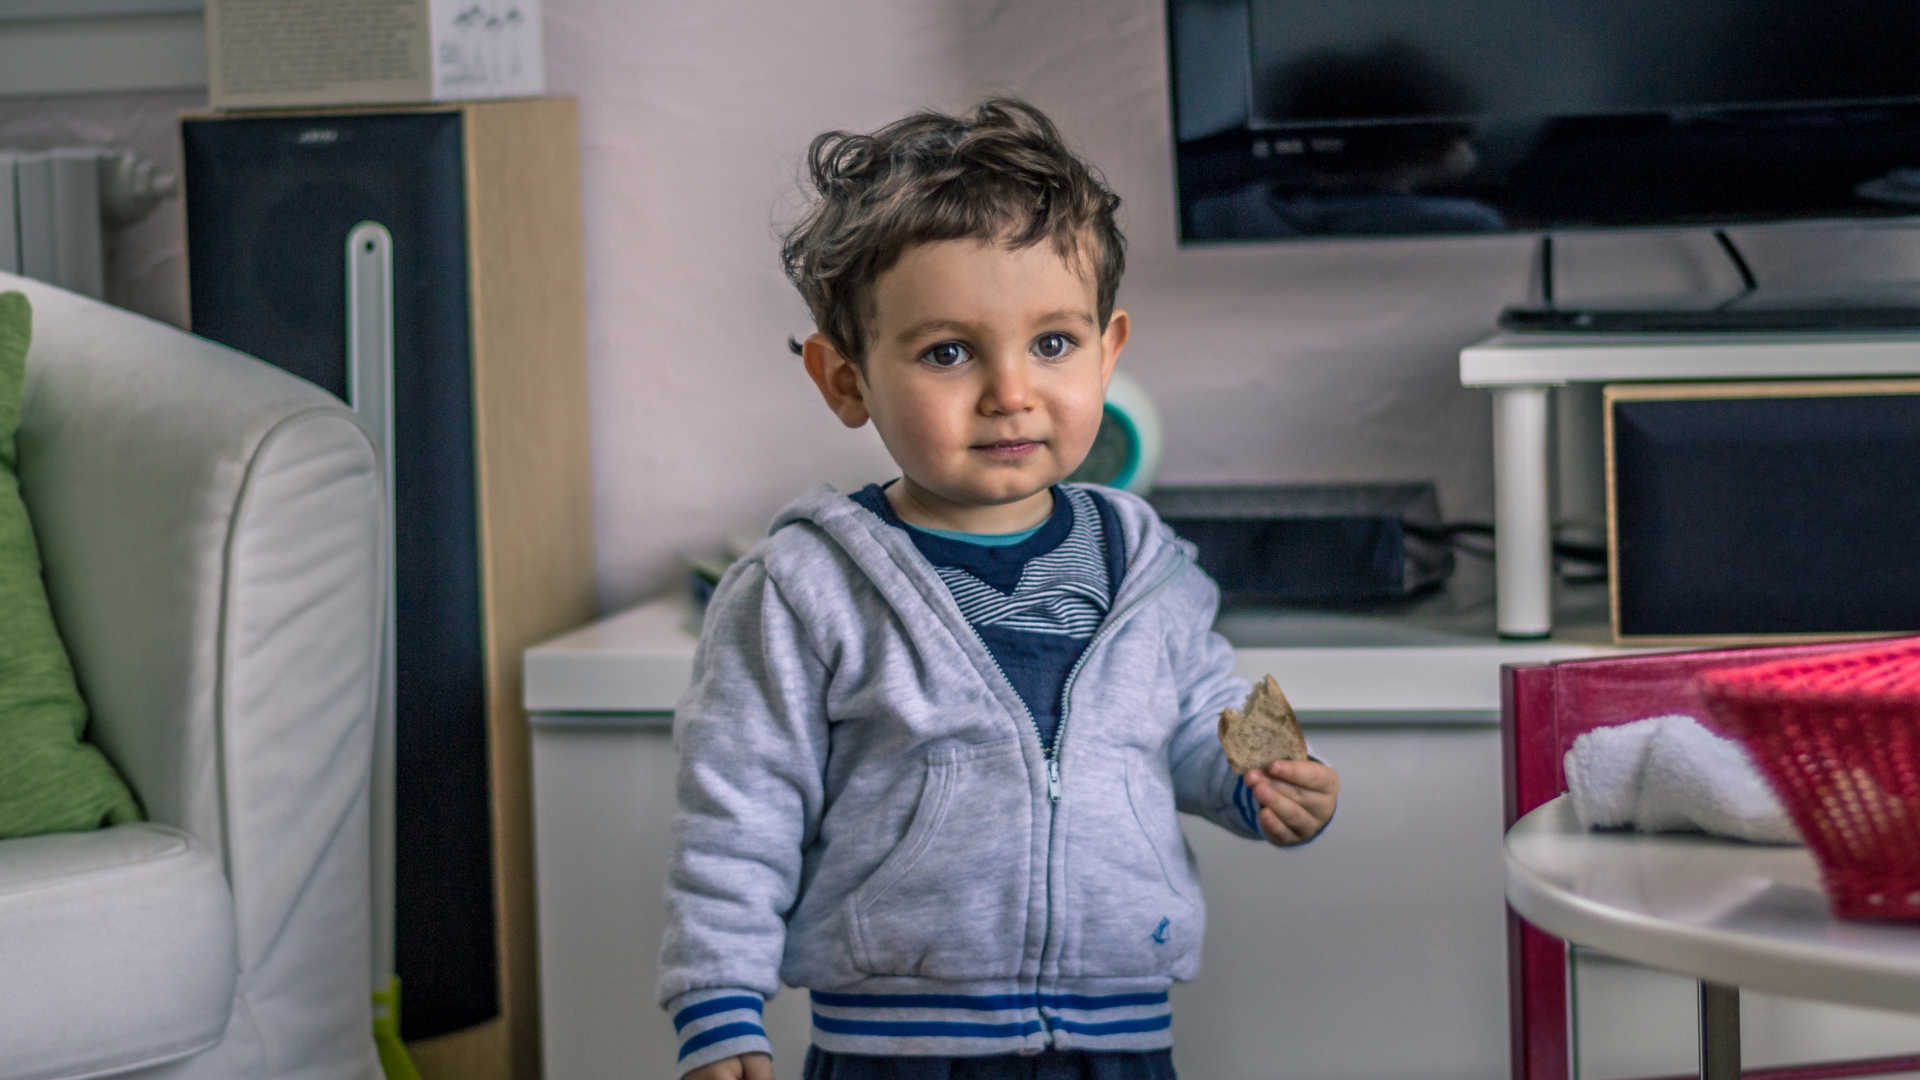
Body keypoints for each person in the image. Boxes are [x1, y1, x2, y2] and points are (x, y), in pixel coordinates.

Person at [660, 98, 1341, 1080]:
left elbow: (1199, 713)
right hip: (895, 1050)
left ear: (1108, 351)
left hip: (1118, 1039)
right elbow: (736, 813)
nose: (1010, 393)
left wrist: (1264, 777)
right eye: (948, 352)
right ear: (844, 380)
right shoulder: (803, 590)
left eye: (1053, 344)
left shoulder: (1146, 563)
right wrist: (718, 1006)